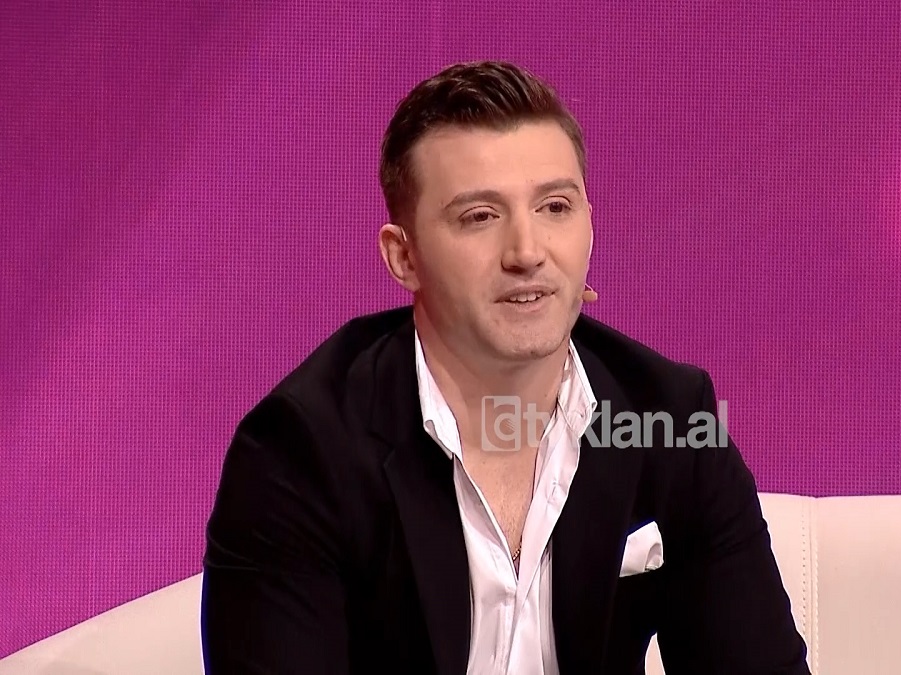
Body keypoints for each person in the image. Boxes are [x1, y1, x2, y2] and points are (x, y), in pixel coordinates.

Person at [200, 60, 810, 675]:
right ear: (404, 257)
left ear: (590, 222)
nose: (526, 251)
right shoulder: (301, 452)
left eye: (555, 207)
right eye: (480, 217)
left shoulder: (670, 419)